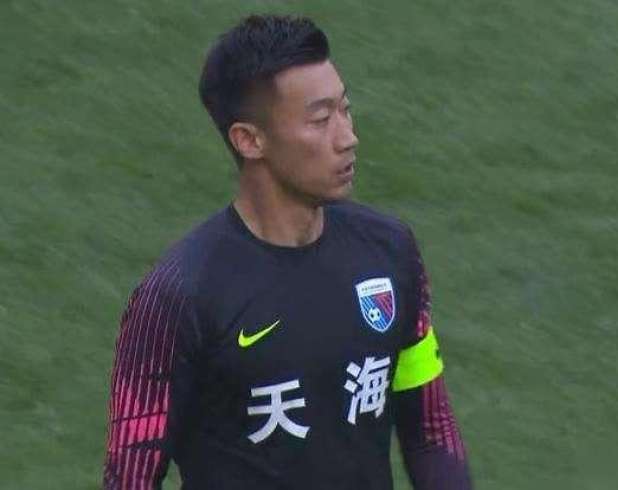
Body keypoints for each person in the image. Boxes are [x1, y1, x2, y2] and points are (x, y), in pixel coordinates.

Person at [103, 14, 472, 490]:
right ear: (249, 140)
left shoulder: (390, 251)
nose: (347, 137)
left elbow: (430, 429)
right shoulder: (177, 296)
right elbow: (130, 477)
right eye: (320, 120)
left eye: (345, 110)